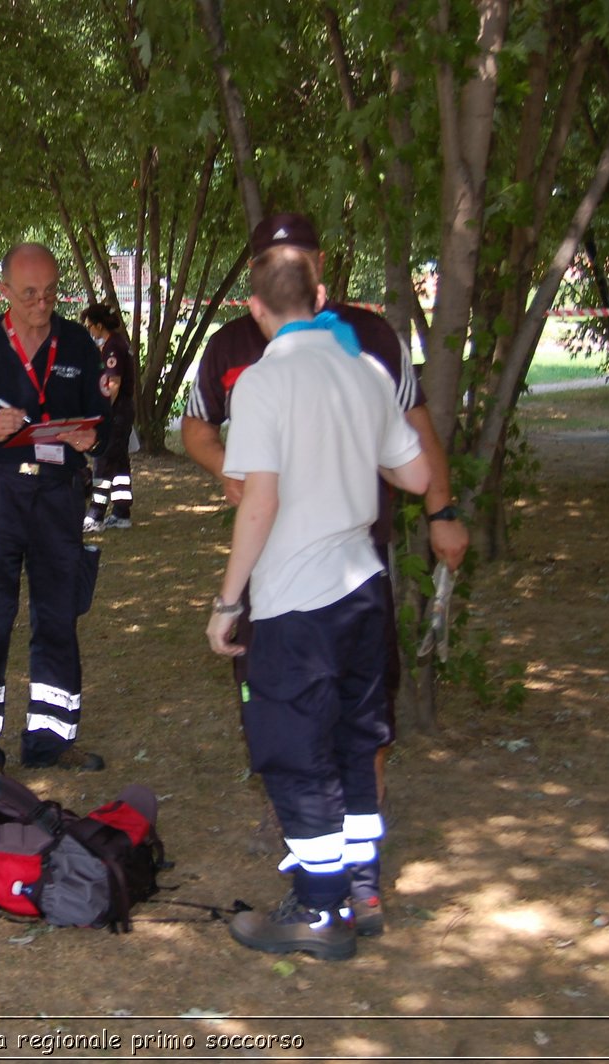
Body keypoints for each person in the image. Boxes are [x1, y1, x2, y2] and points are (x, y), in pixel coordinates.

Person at [182, 212, 469, 831]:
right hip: (288, 567)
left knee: (348, 706)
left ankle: (337, 846)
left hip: (353, 556)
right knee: (292, 700)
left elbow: (416, 441)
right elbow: (200, 431)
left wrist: (442, 510)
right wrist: (231, 469)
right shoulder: (237, 349)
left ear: (319, 273)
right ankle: (321, 838)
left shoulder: (368, 340)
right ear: (256, 287)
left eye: (303, 256)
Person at [207, 244, 428, 961]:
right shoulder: (364, 370)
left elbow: (259, 502)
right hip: (363, 589)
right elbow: (418, 474)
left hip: (295, 604)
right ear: (323, 294)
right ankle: (361, 889)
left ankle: (319, 908)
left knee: (296, 756)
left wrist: (227, 601)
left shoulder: (263, 385)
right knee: (358, 743)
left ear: (255, 308)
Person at [0, 243, 113, 777]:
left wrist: (90, 437)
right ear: (5, 294)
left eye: (51, 292)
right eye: (30, 294)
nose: (43, 304)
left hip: (58, 496)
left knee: (58, 615)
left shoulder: (78, 343)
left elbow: (100, 417)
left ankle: (51, 737)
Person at [80, 303, 137, 531]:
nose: (89, 331)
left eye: (90, 327)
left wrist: (102, 411)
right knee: (119, 463)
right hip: (122, 409)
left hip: (116, 411)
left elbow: (113, 384)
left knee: (102, 459)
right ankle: (122, 512)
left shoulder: (112, 347)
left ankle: (96, 515)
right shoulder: (118, 342)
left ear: (99, 325)